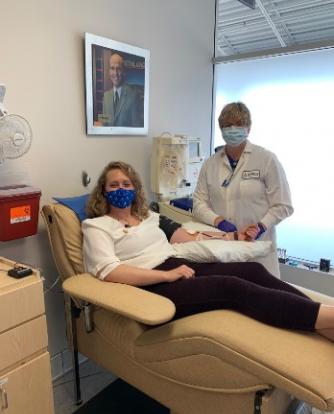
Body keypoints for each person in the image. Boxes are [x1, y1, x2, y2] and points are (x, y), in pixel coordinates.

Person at [82, 161, 334, 342]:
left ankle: (322, 321)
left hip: (177, 264)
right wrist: (166, 276)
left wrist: (233, 235)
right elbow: (110, 271)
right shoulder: (96, 225)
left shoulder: (149, 217)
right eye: (113, 185)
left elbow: (188, 236)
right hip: (152, 285)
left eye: (126, 183)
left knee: (251, 269)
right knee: (231, 287)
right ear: (103, 192)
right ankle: (326, 317)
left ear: (135, 188)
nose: (120, 189)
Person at [193, 102, 293, 277]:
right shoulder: (210, 164)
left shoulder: (266, 159)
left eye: (238, 124)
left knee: (263, 298)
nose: (232, 129)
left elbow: (283, 205)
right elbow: (198, 204)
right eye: (227, 125)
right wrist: (218, 221)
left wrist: (261, 226)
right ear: (221, 129)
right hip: (225, 249)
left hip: (258, 250)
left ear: (249, 128)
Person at [101, 52, 143, 127]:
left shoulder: (134, 96)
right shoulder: (106, 96)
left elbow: (137, 128)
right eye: (112, 68)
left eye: (118, 69)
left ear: (123, 71)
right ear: (109, 71)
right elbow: (104, 124)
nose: (115, 73)